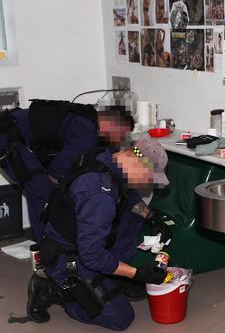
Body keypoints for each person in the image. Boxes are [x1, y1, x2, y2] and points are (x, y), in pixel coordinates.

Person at [26, 138, 172, 330]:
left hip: (80, 238)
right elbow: (92, 256)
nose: (148, 183)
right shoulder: (99, 195)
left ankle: (108, 280)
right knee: (120, 318)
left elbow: (127, 194)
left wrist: (152, 217)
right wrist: (136, 274)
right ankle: (52, 289)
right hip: (69, 258)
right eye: (149, 177)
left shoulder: (106, 157)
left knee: (132, 222)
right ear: (138, 164)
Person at [0, 101, 135, 240]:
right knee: (41, 189)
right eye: (121, 133)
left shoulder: (92, 121)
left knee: (51, 187)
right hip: (4, 139)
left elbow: (112, 162)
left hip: (14, 134)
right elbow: (56, 171)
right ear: (110, 123)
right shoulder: (87, 132)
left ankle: (55, 240)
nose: (121, 138)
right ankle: (49, 249)